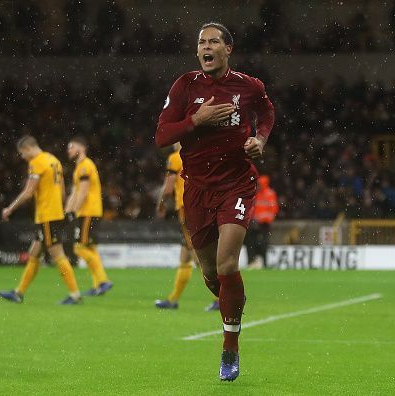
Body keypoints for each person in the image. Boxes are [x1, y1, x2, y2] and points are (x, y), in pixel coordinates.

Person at [155, 22, 275, 381]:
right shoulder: (184, 86)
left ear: (228, 49)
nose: (205, 47)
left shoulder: (249, 86)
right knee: (210, 273)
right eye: (200, 42)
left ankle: (230, 348)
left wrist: (261, 140)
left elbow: (267, 114)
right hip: (195, 189)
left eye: (212, 42)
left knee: (226, 264)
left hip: (236, 184)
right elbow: (162, 135)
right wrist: (196, 119)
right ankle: (231, 306)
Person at [0, 135, 82, 304]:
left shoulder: (36, 163)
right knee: (34, 253)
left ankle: (75, 295)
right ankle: (18, 293)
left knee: (58, 255)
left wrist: (10, 208)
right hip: (55, 213)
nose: (22, 157)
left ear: (28, 148)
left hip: (47, 216)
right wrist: (64, 209)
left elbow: (28, 193)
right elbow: (62, 190)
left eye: (22, 153)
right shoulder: (53, 160)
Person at [154, 142, 219, 311]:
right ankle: (173, 299)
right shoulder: (199, 155)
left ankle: (220, 297)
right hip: (200, 206)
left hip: (186, 207)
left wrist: (161, 204)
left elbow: (168, 187)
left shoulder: (175, 158)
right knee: (185, 257)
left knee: (197, 254)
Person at [64, 136, 113, 296]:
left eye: (72, 147)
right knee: (91, 248)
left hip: (88, 212)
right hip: (88, 212)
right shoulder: (79, 167)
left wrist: (74, 211)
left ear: (81, 148)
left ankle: (103, 280)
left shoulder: (85, 166)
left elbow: (83, 192)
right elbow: (74, 192)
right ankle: (98, 285)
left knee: (79, 248)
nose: (68, 150)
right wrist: (67, 211)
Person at [246, 175, 278, 269]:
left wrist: (262, 219)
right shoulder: (256, 193)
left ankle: (264, 263)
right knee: (251, 243)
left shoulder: (269, 194)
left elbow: (273, 210)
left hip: (264, 224)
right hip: (254, 224)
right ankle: (252, 262)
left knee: (263, 244)